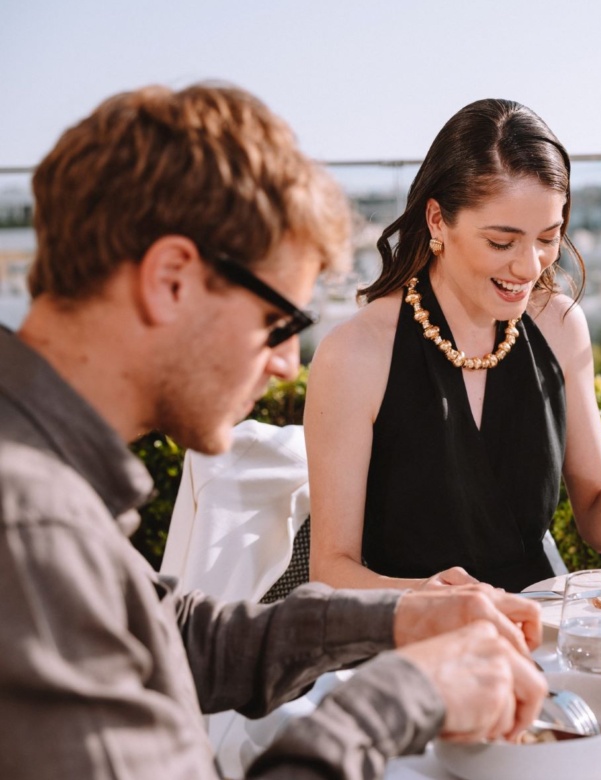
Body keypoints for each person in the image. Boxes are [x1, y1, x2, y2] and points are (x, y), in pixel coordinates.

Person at [0, 84, 547, 780]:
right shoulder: (31, 526)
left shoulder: (40, 466)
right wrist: (405, 695)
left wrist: (400, 619)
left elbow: (170, 635)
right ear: (171, 279)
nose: (288, 366)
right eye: (278, 325)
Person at [305, 98, 601, 593]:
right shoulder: (355, 355)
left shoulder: (560, 327)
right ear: (438, 221)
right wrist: (442, 601)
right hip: (405, 643)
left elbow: (598, 524)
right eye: (502, 243)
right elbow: (331, 572)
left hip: (540, 630)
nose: (530, 267)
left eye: (548, 238)